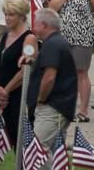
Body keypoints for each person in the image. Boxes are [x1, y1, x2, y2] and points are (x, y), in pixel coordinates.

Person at [49, 0, 94, 123]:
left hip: (82, 35)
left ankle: (83, 110)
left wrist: (87, 23)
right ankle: (65, 107)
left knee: (81, 71)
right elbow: (52, 7)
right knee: (64, 72)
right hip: (64, 35)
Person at [24, 8, 77, 148]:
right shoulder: (57, 42)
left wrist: (40, 99)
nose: (33, 27)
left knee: (39, 150)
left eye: (36, 24)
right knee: (55, 150)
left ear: (44, 25)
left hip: (52, 107)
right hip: (60, 106)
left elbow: (49, 77)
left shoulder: (52, 45)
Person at [0, 0, 35, 148]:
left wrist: (6, 91)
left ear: (22, 16)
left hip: (18, 94)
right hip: (3, 94)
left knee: (20, 135)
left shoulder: (29, 38)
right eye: (6, 14)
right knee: (8, 133)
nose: (7, 18)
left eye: (11, 14)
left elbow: (25, 70)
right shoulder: (6, 36)